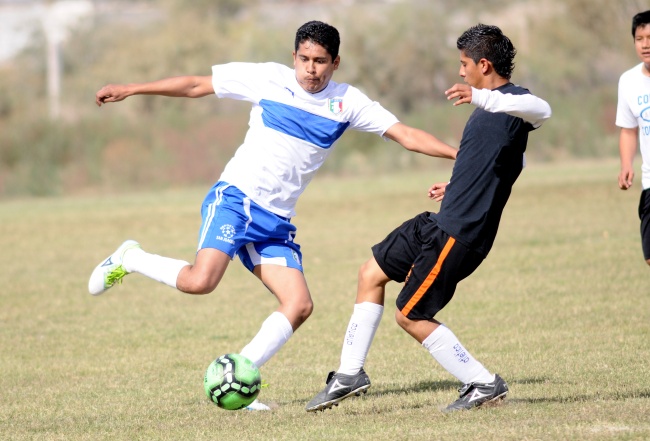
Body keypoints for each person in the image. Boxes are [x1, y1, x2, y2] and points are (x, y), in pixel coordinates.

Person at [88, 20, 457, 410]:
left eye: (320, 61)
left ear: (335, 63)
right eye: (304, 59)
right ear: (293, 56)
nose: (311, 69)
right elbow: (197, 85)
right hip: (236, 200)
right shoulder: (268, 79)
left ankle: (237, 378)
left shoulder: (347, 102)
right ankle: (131, 258)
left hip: (276, 220)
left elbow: (405, 134)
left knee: (298, 305)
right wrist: (132, 88)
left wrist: (460, 156)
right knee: (200, 282)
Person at [306, 23, 551, 413]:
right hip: (439, 221)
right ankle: (349, 374)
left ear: (483, 65)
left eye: (464, 64)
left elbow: (543, 110)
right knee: (370, 273)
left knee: (410, 314)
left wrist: (482, 98)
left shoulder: (516, 104)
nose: (460, 72)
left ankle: (483, 383)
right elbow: (495, 164)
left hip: (460, 234)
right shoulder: (486, 110)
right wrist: (456, 184)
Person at [617, 10, 650, 267]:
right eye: (640, 39)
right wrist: (626, 164)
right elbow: (629, 129)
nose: (645, 44)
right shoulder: (628, 81)